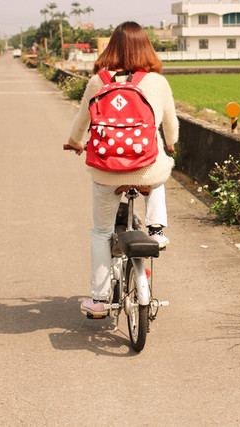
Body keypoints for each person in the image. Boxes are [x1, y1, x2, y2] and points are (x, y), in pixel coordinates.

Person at [65, 21, 179, 317]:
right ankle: (156, 230)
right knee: (159, 172)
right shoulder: (157, 83)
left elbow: (81, 121)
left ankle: (100, 301)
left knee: (101, 233)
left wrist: (75, 143)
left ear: (111, 48)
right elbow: (171, 126)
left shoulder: (98, 81)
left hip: (106, 171)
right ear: (147, 48)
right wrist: (172, 145)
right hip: (146, 168)